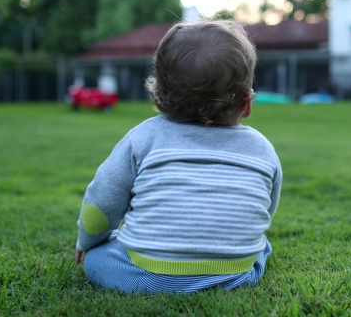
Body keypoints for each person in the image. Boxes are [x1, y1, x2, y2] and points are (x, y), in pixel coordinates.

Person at [75, 20, 282, 294]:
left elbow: (102, 204)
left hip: (148, 275)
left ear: (158, 93)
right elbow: (265, 208)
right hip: (236, 275)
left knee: (98, 258)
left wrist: (88, 242)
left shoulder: (143, 138)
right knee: (262, 245)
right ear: (246, 103)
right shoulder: (262, 147)